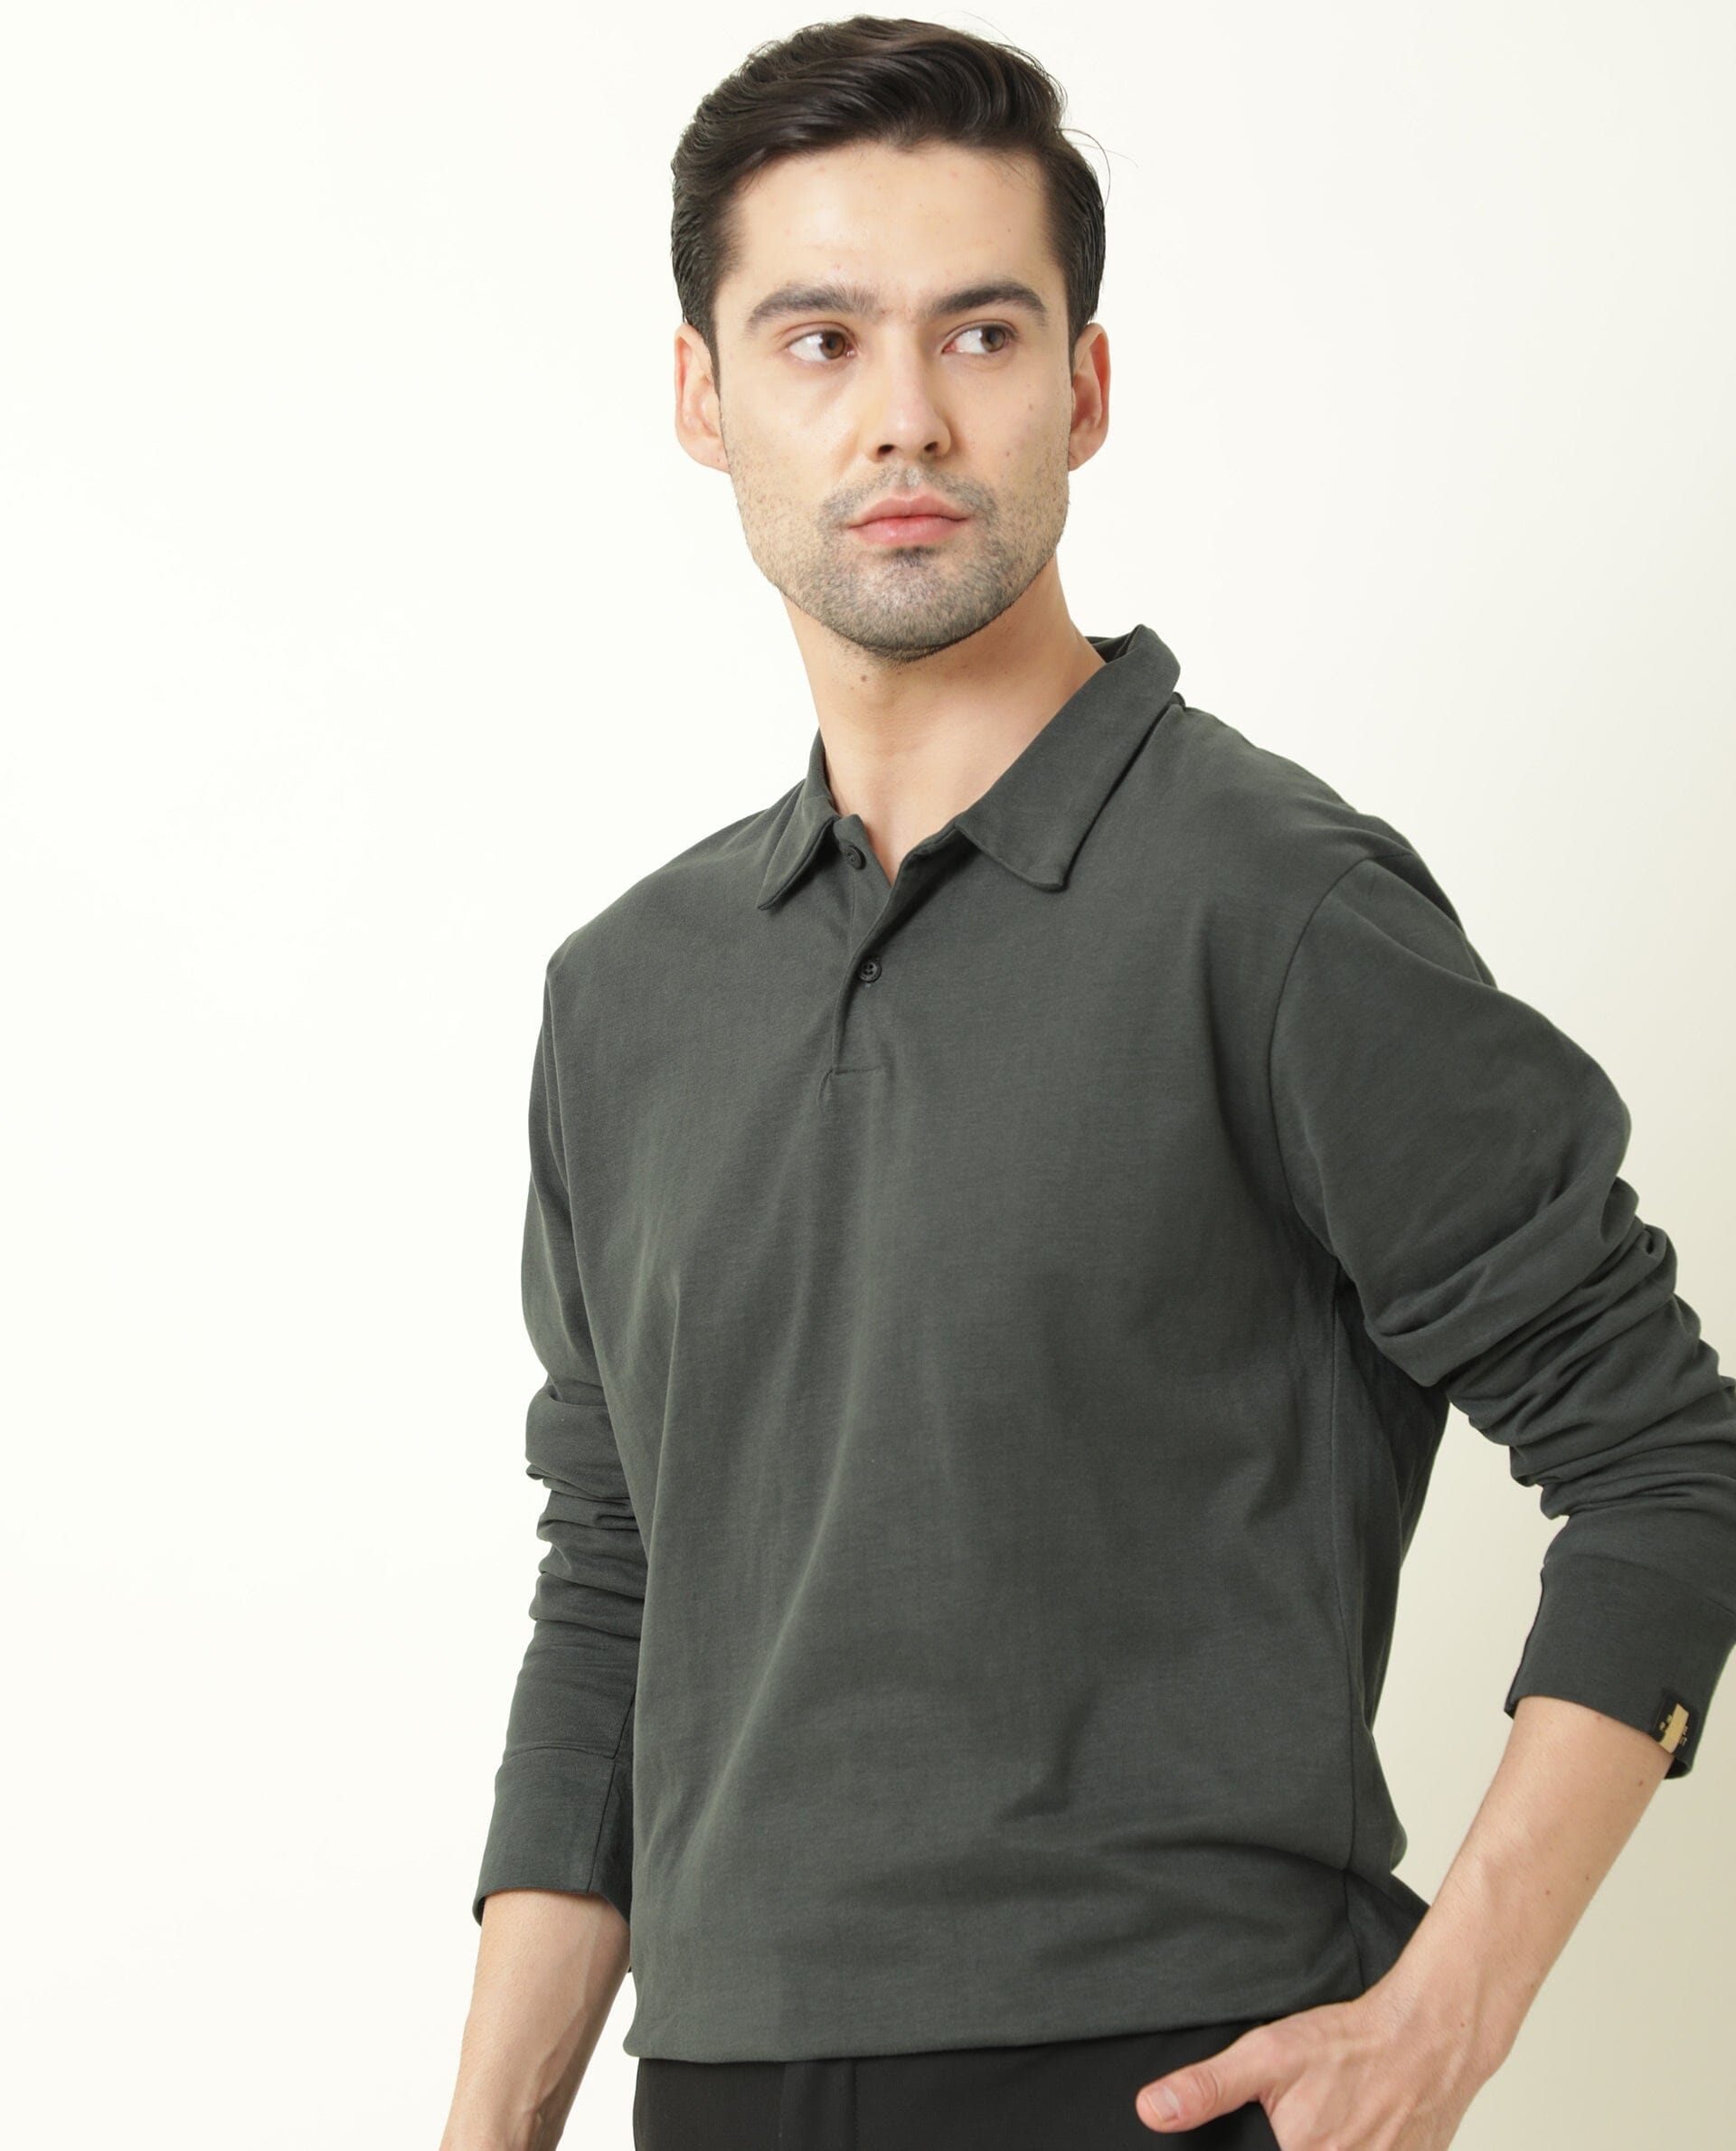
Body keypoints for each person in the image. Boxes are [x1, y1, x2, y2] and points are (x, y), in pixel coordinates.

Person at [439, 18, 1736, 2150]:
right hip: (721, 2082)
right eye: (821, 339)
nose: (906, 414)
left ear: (1086, 386)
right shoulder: (628, 996)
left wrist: (1449, 2012)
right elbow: (616, 1584)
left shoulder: (1277, 905)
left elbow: (1665, 1454)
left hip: (1162, 2073)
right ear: (704, 398)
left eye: (980, 331)